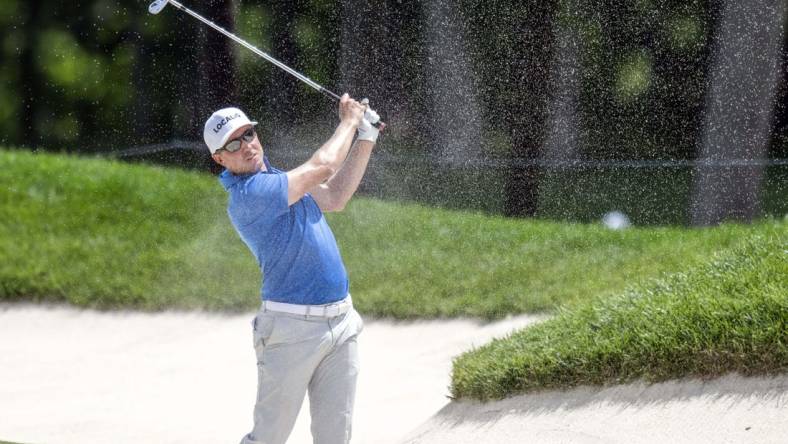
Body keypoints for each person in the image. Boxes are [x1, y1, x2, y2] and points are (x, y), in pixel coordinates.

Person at [203, 94, 380, 444]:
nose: (247, 146)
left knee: (335, 438)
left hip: (342, 322)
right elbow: (323, 167)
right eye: (233, 144)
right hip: (291, 330)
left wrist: (366, 135)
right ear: (219, 158)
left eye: (248, 134)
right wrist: (348, 121)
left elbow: (335, 196)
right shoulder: (250, 194)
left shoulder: (279, 179)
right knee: (269, 437)